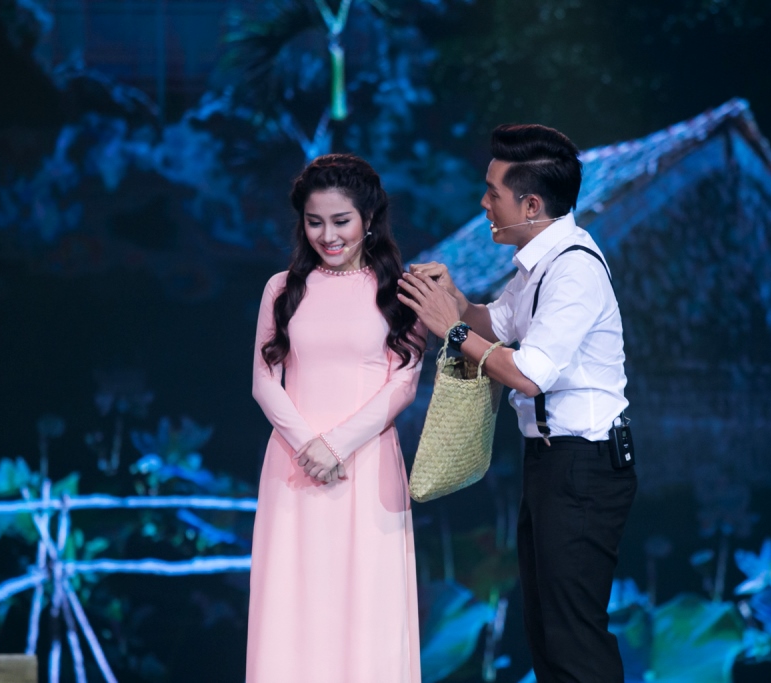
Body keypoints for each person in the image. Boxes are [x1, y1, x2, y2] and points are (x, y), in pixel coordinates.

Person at [398, 124, 636, 683]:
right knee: (547, 631)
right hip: (554, 462)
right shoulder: (537, 264)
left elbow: (528, 374)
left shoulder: (574, 269)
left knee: (573, 636)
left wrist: (453, 330)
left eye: (493, 192)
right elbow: (497, 323)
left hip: (584, 464)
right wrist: (456, 301)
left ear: (531, 205)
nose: (484, 203)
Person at [248, 153, 425, 682]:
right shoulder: (282, 288)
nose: (328, 235)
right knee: (291, 602)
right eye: (315, 221)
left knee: (368, 605)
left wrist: (337, 445)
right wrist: (310, 445)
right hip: (293, 466)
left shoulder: (400, 292)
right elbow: (263, 381)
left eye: (341, 221)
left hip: (366, 465)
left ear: (368, 218)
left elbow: (404, 383)